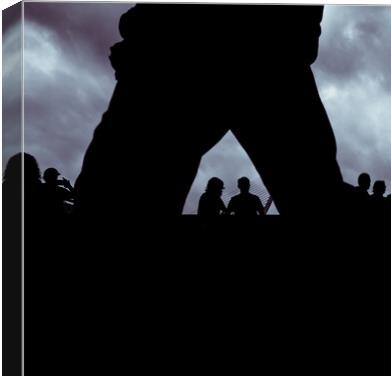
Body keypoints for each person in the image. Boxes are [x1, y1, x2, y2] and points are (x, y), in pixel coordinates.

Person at [73, 4, 344, 217]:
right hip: (261, 51)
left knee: (116, 189)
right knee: (316, 194)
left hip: (180, 50)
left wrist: (142, 30)